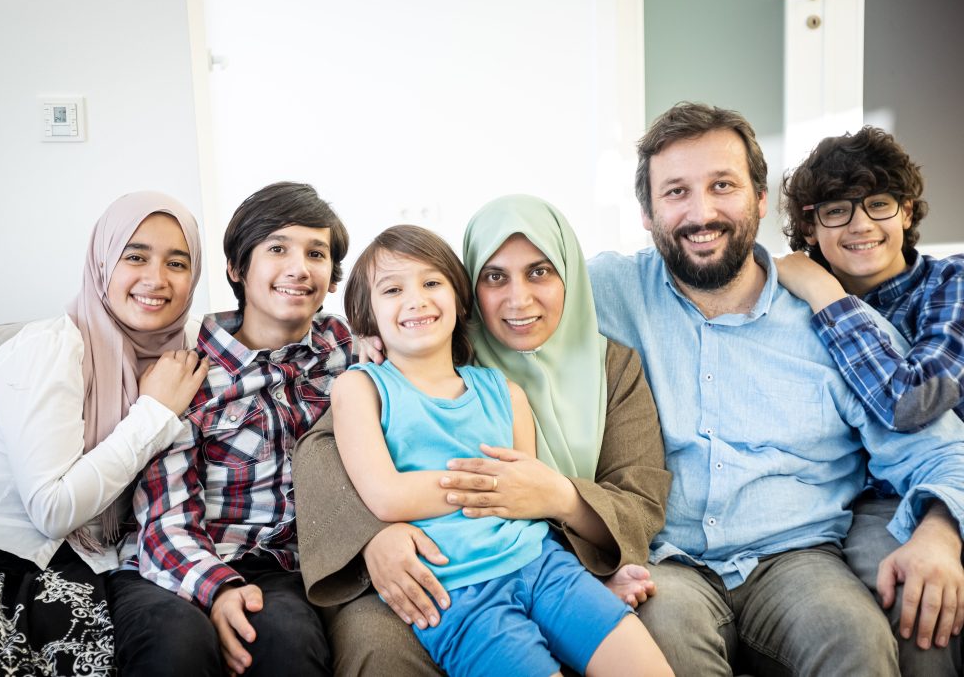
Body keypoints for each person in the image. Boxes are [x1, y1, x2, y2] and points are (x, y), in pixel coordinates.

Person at [587, 101, 964, 676]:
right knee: (657, 646)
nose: (702, 212)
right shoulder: (607, 291)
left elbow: (939, 448)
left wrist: (940, 533)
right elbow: (490, 299)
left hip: (800, 557)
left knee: (855, 640)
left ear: (760, 200)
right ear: (646, 211)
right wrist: (396, 334)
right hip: (667, 563)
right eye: (676, 192)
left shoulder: (838, 322)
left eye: (723, 186)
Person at [293, 198, 671, 675]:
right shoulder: (375, 377)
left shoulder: (588, 373)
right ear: (474, 288)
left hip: (550, 565)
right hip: (457, 585)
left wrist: (558, 503)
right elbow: (335, 459)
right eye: (495, 276)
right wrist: (375, 537)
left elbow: (623, 500)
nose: (518, 299)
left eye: (540, 272)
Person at [0, 191, 207, 675]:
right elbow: (53, 508)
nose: (156, 279)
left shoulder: (182, 353)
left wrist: (376, 343)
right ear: (102, 262)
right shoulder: (50, 349)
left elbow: (262, 338)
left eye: (177, 262)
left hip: (77, 569)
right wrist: (152, 412)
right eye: (136, 256)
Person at [108, 182, 353, 677]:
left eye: (316, 253)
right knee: (175, 647)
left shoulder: (343, 352)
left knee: (287, 640)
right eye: (277, 248)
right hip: (179, 560)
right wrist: (218, 586)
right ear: (236, 269)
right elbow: (164, 513)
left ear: (331, 278)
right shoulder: (190, 370)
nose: (299, 268)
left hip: (285, 567)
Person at [777, 125, 964, 431]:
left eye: (878, 204)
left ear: (905, 212)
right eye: (837, 211)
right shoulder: (792, 307)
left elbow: (910, 404)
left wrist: (826, 295)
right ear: (809, 228)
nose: (861, 225)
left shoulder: (953, 281)